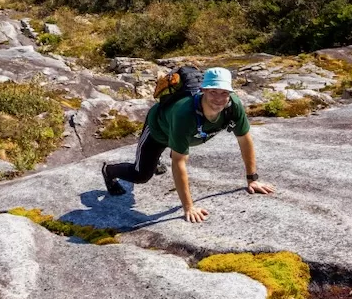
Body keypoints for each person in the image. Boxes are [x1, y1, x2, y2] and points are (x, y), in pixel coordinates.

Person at [102, 66, 275, 222]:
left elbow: (245, 140)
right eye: (213, 92)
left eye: (224, 93)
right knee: (141, 175)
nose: (218, 98)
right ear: (203, 90)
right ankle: (109, 171)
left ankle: (158, 160)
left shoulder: (233, 106)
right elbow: (179, 161)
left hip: (181, 133)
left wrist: (252, 180)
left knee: (177, 146)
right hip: (159, 131)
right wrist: (188, 207)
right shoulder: (184, 114)